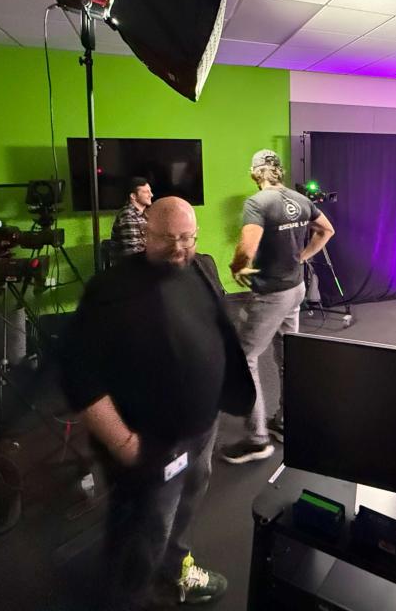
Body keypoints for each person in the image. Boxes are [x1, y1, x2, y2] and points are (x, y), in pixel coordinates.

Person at [61, 197, 255, 610]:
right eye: (168, 238)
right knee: (145, 526)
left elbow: (214, 328)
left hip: (201, 429)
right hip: (150, 442)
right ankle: (130, 597)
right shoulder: (110, 291)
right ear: (145, 234)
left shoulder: (198, 267)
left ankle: (174, 568)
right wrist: (122, 443)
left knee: (184, 505)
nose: (179, 247)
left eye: (187, 237)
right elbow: (78, 375)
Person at [220, 150, 334, 465]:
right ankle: (286, 422)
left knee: (244, 359)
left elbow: (248, 243)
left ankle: (257, 439)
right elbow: (326, 230)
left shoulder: (257, 203)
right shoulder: (300, 199)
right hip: (295, 289)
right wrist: (302, 256)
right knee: (288, 357)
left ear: (257, 173)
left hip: (271, 294)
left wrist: (237, 265)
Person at [110, 177, 153, 259]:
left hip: (143, 263)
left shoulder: (145, 215)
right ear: (133, 196)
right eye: (146, 192)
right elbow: (133, 254)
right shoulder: (128, 215)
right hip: (131, 267)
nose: (151, 195)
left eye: (150, 191)